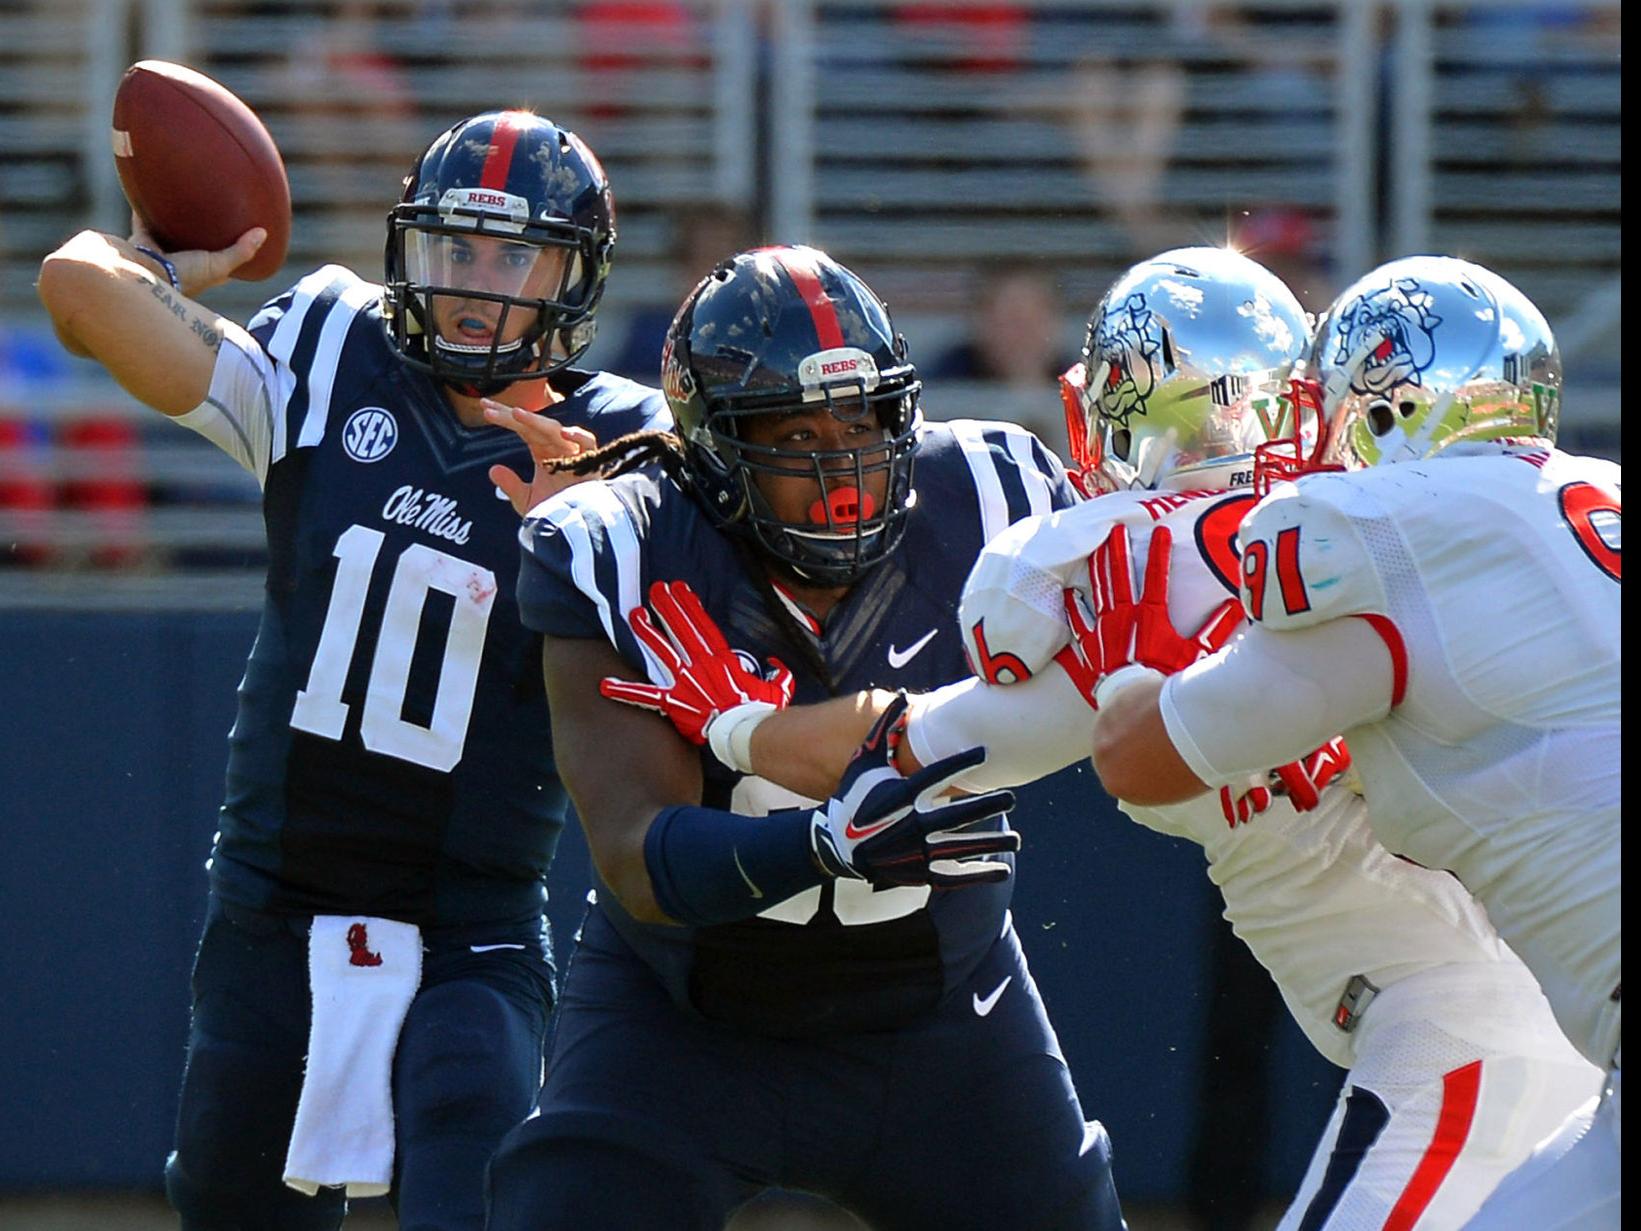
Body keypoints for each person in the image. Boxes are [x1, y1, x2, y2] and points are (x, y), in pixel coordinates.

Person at [608, 248, 1604, 1230]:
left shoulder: (1176, 563)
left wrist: (735, 724)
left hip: (1469, 1015)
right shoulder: (1370, 534)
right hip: (1507, 1003)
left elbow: (922, 747)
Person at [36, 110, 667, 1230]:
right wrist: (162, 265)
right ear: (406, 249)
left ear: (574, 273)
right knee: (231, 1208)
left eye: (513, 253)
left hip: (469, 924)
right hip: (275, 902)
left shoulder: (625, 447)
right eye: (456, 247)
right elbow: (76, 288)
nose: (478, 283)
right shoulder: (335, 352)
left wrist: (597, 548)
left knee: (474, 1188)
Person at [491, 244, 1127, 1230]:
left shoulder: (995, 496)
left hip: (947, 1023)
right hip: (683, 1025)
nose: (842, 465)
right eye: (793, 431)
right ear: (715, 452)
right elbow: (633, 853)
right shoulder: (621, 542)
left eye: (863, 420)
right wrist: (819, 842)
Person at [1079, 256, 1620, 1230]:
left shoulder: (1373, 526)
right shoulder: (1596, 496)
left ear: (1374, 409)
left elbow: (1149, 757)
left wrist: (1120, 665)